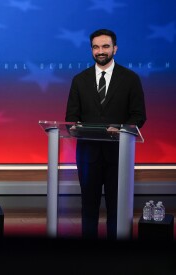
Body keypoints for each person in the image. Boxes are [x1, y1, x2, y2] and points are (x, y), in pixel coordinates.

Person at [65, 29, 146, 239]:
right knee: (89, 207)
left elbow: (139, 115)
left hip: (119, 155)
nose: (101, 51)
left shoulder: (130, 79)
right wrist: (75, 127)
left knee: (116, 208)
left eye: (105, 46)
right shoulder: (79, 80)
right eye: (96, 47)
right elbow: (71, 117)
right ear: (91, 49)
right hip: (88, 156)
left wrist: (121, 129)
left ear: (115, 49)